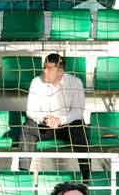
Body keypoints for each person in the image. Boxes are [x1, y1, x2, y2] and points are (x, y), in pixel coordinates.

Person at [19, 53, 90, 182]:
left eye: (49, 68)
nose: (45, 71)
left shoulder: (75, 82)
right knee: (27, 128)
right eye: (44, 67)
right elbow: (31, 111)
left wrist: (60, 120)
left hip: (66, 126)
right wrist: (45, 119)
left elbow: (78, 112)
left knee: (80, 126)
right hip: (44, 126)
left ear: (60, 71)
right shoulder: (36, 82)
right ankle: (23, 176)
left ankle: (86, 178)